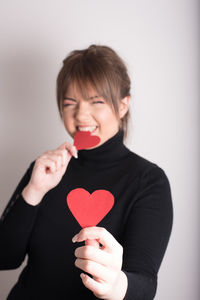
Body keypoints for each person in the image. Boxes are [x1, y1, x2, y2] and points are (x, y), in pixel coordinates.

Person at [0, 45, 173, 300]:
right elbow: (5, 258)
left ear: (123, 105)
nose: (81, 115)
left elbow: (145, 284)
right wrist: (33, 191)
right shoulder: (45, 169)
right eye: (70, 102)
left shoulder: (149, 182)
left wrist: (115, 286)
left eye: (97, 102)